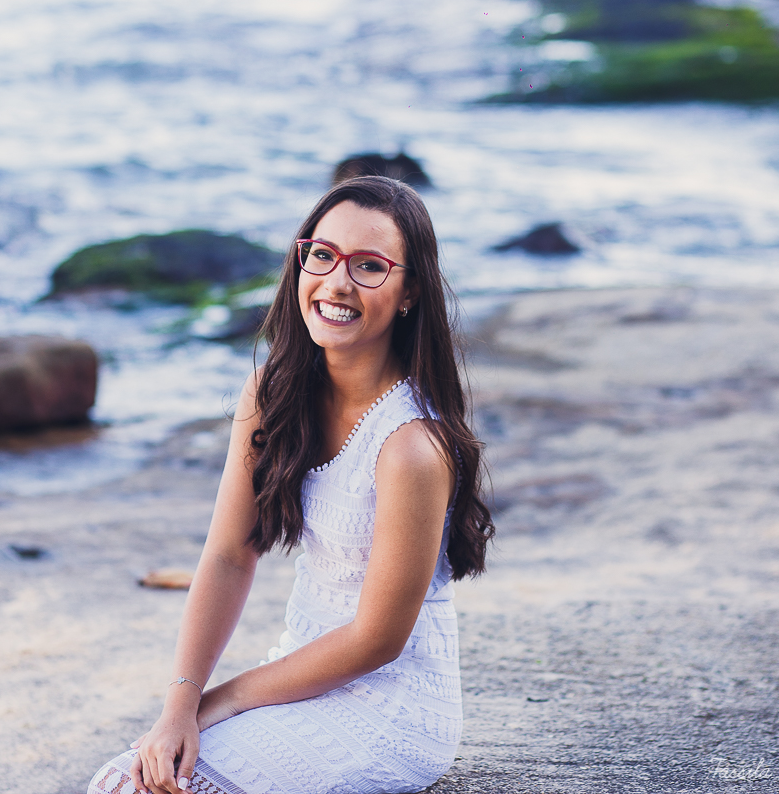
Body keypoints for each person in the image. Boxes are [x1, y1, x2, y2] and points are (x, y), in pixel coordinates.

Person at [88, 175, 494, 794]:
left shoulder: (412, 445)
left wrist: (220, 703)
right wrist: (180, 704)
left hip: (390, 711)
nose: (336, 283)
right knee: (121, 782)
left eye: (370, 266)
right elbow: (228, 555)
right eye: (323, 255)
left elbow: (376, 640)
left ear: (410, 291)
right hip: (297, 676)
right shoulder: (271, 397)